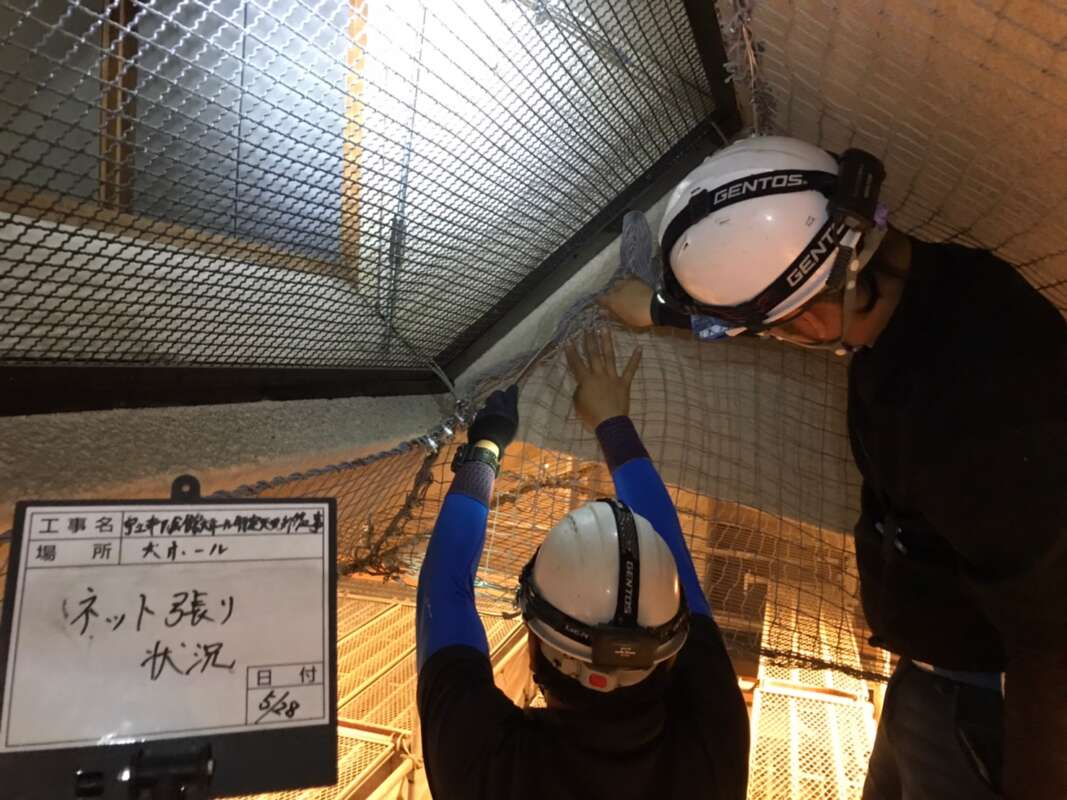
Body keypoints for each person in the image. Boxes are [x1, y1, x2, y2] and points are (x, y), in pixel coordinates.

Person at [599, 135, 1067, 800]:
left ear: (815, 320)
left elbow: (1052, 646)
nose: (778, 339)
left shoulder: (982, 421)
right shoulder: (936, 285)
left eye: (773, 329)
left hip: (994, 712)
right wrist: (660, 311)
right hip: (933, 671)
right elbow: (791, 293)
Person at [415, 330, 749, 800]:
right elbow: (442, 589)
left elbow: (443, 589)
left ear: (535, 641)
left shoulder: (719, 749)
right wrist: (486, 449)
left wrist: (491, 444)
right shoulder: (477, 772)